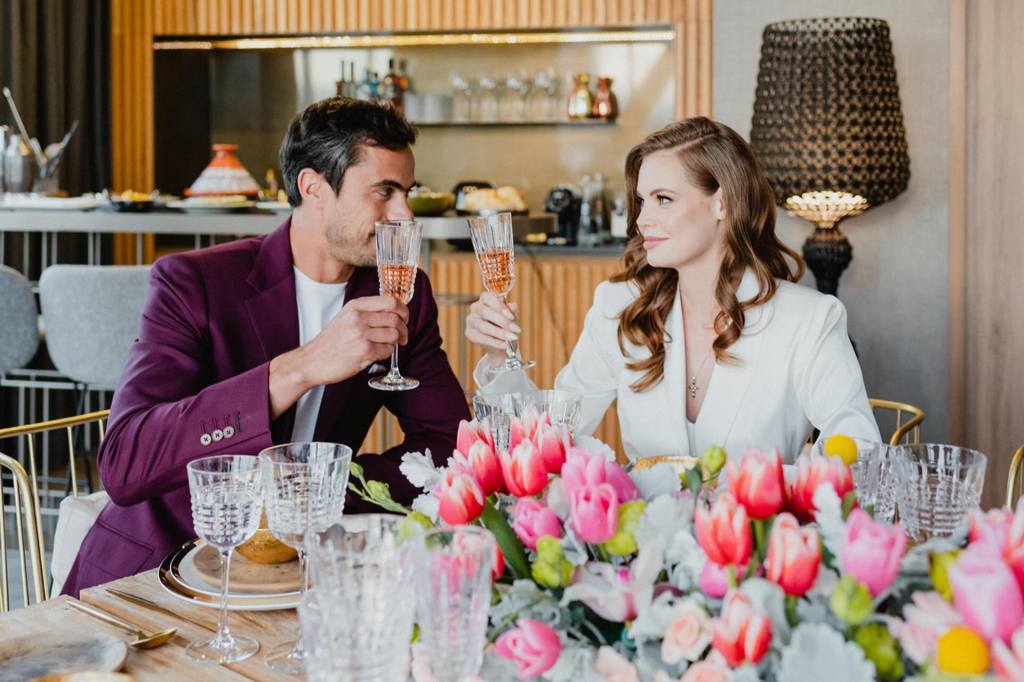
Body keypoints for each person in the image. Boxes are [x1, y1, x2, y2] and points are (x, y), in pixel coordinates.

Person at [62, 98, 468, 596]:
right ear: (313, 188)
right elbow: (126, 463)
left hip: (299, 579)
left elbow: (448, 448)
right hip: (154, 575)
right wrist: (302, 368)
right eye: (384, 191)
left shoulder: (403, 292)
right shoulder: (194, 282)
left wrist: (316, 489)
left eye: (406, 192)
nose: (404, 214)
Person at [466, 117, 880, 461]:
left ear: (724, 203)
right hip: (645, 551)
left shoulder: (808, 320)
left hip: (755, 550)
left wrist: (793, 482)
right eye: (642, 200)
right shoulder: (621, 308)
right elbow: (546, 439)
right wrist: (500, 357)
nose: (643, 220)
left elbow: (860, 449)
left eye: (664, 199)